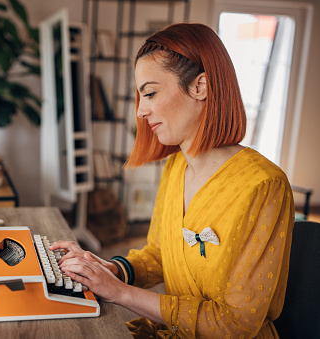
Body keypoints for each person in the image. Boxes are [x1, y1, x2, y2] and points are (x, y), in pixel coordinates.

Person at [50, 23, 294, 338]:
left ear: (200, 87)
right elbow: (161, 254)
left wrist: (121, 292)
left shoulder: (264, 185)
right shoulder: (176, 166)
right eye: (139, 96)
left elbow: (235, 324)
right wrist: (114, 269)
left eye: (150, 93)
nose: (140, 111)